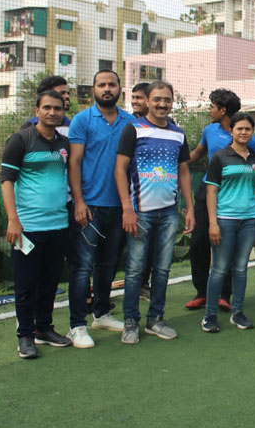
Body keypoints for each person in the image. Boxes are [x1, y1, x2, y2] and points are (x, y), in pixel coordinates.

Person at [115, 80, 195, 344]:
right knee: (135, 270)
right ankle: (130, 322)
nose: (162, 104)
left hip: (169, 214)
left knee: (162, 270)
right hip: (140, 213)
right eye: (157, 99)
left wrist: (189, 208)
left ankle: (155, 319)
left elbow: (184, 172)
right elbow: (120, 169)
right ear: (147, 101)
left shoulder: (178, 134)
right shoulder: (133, 129)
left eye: (167, 100)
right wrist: (127, 208)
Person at [66, 69, 136, 348]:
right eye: (101, 85)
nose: (107, 89)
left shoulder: (131, 122)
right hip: (90, 206)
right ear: (93, 89)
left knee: (108, 264)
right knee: (82, 267)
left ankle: (102, 313)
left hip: (119, 206)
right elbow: (74, 163)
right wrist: (79, 201)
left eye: (112, 84)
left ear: (120, 88)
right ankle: (77, 325)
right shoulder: (82, 120)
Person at [1, 91, 72, 358]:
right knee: (26, 285)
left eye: (57, 108)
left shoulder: (64, 143)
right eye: (47, 108)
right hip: (27, 228)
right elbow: (6, 181)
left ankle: (44, 328)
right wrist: (13, 220)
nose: (53, 112)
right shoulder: (20, 140)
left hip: (58, 225)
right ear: (37, 110)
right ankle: (25, 336)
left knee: (50, 282)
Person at [185, 89, 255, 311]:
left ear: (223, 109)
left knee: (227, 245)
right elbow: (197, 152)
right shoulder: (210, 130)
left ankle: (224, 294)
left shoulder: (248, 138)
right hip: (207, 191)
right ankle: (202, 292)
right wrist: (177, 164)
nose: (210, 110)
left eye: (212, 107)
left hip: (232, 198)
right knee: (198, 241)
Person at [201, 113, 255, 333]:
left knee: (240, 269)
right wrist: (213, 223)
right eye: (240, 128)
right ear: (232, 131)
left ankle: (237, 313)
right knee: (219, 269)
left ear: (252, 132)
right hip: (225, 219)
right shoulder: (220, 157)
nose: (244, 132)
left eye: (248, 129)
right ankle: (209, 315)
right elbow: (211, 191)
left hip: (249, 220)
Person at [131, 81, 154, 301]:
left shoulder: (168, 126)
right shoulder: (128, 124)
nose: (135, 101)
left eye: (139, 98)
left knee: (150, 247)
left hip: (154, 201)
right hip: (129, 197)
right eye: (133, 97)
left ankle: (143, 285)